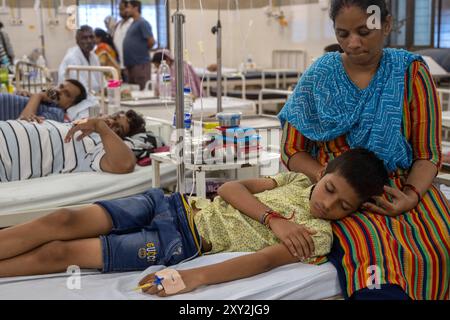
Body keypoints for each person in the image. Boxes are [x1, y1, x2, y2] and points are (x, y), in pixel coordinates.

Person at [0, 148, 388, 295]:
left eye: (344, 206)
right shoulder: (294, 180)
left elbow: (264, 262)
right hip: (168, 203)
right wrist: (273, 219)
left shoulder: (317, 235)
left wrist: (191, 278)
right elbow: (229, 189)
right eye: (331, 188)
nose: (328, 204)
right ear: (323, 173)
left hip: (180, 242)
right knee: (63, 218)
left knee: (61, 252)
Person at [277, 0, 450, 300]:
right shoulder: (319, 76)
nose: (352, 44)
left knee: (438, 245)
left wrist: (410, 196)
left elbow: (428, 153)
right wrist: (327, 177)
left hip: (400, 187)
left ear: (386, 25)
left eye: (363, 32)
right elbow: (292, 150)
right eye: (342, 34)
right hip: (340, 191)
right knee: (371, 248)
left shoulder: (411, 73)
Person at [0, 109, 146, 182]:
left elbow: (125, 164)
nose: (110, 122)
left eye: (117, 128)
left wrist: (101, 127)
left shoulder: (98, 146)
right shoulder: (76, 124)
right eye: (114, 118)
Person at [0, 79, 87, 122]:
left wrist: (38, 96)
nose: (59, 91)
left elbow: (24, 123)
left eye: (66, 94)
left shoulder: (56, 113)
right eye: (61, 86)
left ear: (71, 105)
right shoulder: (46, 101)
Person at [59, 25, 103, 95]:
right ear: (77, 41)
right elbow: (81, 88)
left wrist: (115, 86)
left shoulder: (94, 57)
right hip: (77, 100)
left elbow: (102, 82)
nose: (89, 41)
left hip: (95, 97)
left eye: (91, 37)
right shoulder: (72, 58)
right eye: (84, 38)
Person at [123, 0, 156, 90]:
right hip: (131, 65)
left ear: (136, 8)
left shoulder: (142, 23)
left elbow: (151, 42)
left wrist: (141, 51)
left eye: (129, 7)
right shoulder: (133, 23)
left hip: (140, 65)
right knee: (133, 92)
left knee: (143, 90)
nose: (126, 10)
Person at [113, 0, 134, 81]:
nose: (120, 12)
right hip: (118, 65)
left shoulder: (132, 23)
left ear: (128, 9)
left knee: (128, 89)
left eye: (122, 9)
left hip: (128, 65)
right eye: (119, 9)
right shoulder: (118, 24)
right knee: (117, 87)